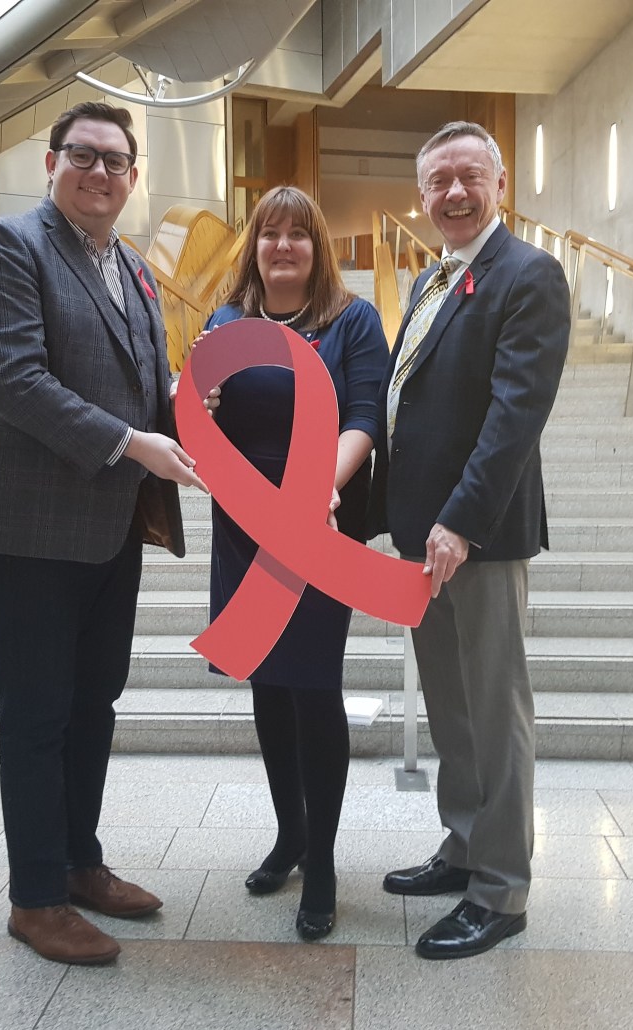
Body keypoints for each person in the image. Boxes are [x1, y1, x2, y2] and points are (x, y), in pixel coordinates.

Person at [0, 101, 207, 966]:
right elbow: (17, 381)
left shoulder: (131, 266)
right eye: (84, 155)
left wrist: (189, 409)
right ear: (51, 162)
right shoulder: (6, 248)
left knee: (94, 704)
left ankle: (78, 863)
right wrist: (134, 442)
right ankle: (35, 899)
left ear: (133, 177)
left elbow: (147, 380)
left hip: (111, 526)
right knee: (36, 717)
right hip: (34, 528)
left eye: (116, 161)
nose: (100, 172)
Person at [368, 121, 570, 960]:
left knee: (494, 712)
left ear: (499, 184)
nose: (454, 192)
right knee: (451, 709)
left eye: (469, 176)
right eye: (438, 180)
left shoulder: (528, 275)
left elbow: (515, 413)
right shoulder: (431, 279)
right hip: (424, 538)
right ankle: (462, 845)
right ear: (422, 196)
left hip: (476, 537)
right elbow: (407, 406)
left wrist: (459, 519)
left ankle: (500, 889)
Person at [196, 186, 389, 941]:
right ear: (254, 245)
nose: (282, 245)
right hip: (244, 526)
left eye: (298, 234)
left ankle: (326, 862)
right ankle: (290, 835)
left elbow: (365, 417)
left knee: (312, 685)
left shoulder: (352, 321)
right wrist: (200, 405)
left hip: (317, 521)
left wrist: (319, 488)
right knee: (269, 684)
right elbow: (202, 417)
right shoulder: (224, 322)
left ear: (318, 248)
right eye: (270, 232)